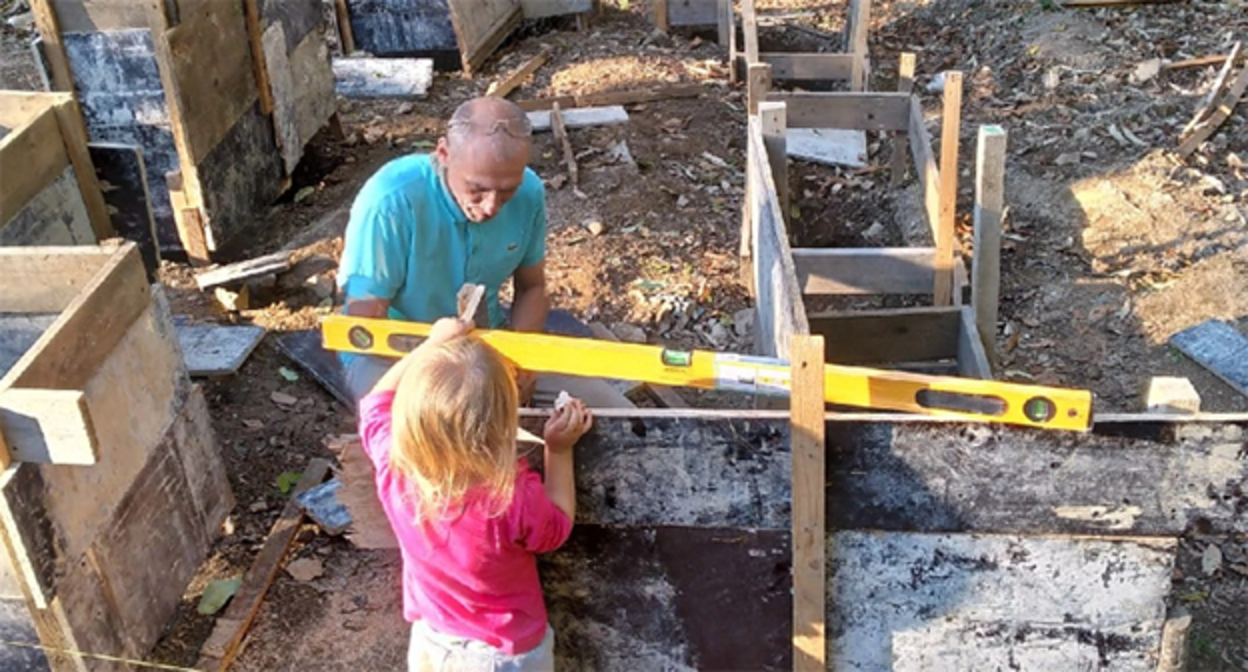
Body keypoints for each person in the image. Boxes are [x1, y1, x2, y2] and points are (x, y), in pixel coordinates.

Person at [357, 316, 594, 670]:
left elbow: (374, 403)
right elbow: (557, 527)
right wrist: (558, 450)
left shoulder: (395, 465)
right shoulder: (511, 496)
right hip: (504, 654)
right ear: (504, 427)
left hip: (433, 638)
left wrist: (430, 346)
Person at [336, 96, 549, 403]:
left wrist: (520, 360)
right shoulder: (390, 201)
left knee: (588, 410)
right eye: (477, 189)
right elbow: (365, 323)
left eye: (507, 191)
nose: (491, 207)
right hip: (394, 352)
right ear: (444, 153)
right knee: (437, 430)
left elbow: (533, 288)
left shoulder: (530, 193)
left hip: (481, 344)